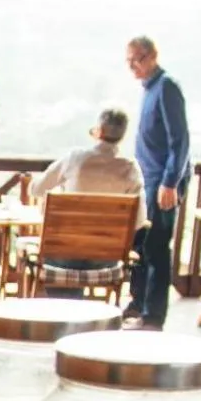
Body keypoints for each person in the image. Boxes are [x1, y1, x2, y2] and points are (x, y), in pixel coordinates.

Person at [30, 109, 146, 297]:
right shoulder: (130, 168)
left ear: (98, 131)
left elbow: (36, 189)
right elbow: (140, 221)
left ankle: (63, 317)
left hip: (63, 256)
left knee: (46, 254)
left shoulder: (75, 158)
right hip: (106, 259)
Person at [125, 35, 191, 329]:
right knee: (143, 244)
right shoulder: (148, 89)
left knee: (156, 246)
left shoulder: (166, 87)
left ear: (152, 56)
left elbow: (180, 140)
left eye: (136, 60)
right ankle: (138, 304)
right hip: (148, 178)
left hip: (163, 181)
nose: (132, 67)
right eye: (128, 62)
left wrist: (170, 182)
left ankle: (153, 316)